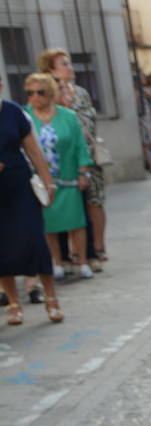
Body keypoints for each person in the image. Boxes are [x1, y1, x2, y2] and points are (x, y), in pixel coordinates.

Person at [1, 74, 61, 325]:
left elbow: (33, 150)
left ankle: (51, 297)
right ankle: (14, 303)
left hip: (20, 186)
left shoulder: (14, 113)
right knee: (1, 247)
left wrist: (47, 181)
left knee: (35, 240)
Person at [39, 48, 107, 267]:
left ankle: (93, 250)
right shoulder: (45, 93)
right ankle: (66, 256)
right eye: (64, 64)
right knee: (61, 207)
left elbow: (90, 122)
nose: (71, 67)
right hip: (59, 161)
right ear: (51, 69)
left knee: (92, 203)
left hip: (86, 156)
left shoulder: (81, 93)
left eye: (69, 63)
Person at [25, 73, 94, 283]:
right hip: (41, 182)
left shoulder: (67, 116)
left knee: (76, 221)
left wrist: (84, 171)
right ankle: (57, 262)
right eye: (30, 93)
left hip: (67, 177)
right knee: (49, 224)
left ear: (51, 93)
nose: (35, 97)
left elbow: (80, 146)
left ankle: (82, 261)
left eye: (40, 92)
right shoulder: (25, 116)